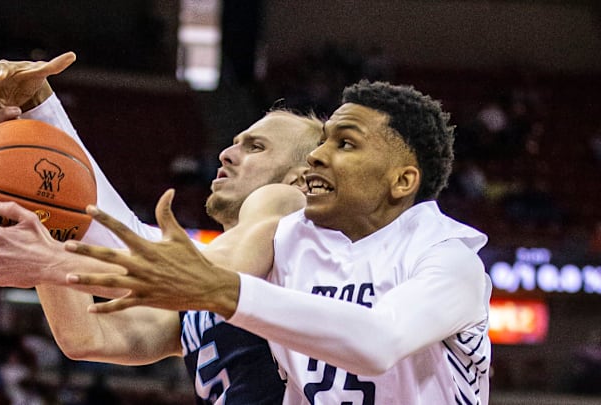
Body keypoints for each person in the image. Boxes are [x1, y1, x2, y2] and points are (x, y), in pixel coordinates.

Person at [63, 80, 493, 404]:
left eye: (256, 147)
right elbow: (94, 330)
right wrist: (49, 236)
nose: (226, 156)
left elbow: (378, 340)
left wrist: (48, 136)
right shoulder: (300, 246)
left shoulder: (445, 257)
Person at [0, 52, 323, 404]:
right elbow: (87, 335)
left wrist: (52, 261)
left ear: (299, 179)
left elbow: (192, 271)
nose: (226, 155)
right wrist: (30, 175)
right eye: (233, 144)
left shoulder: (292, 217)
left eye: (256, 148)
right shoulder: (209, 277)